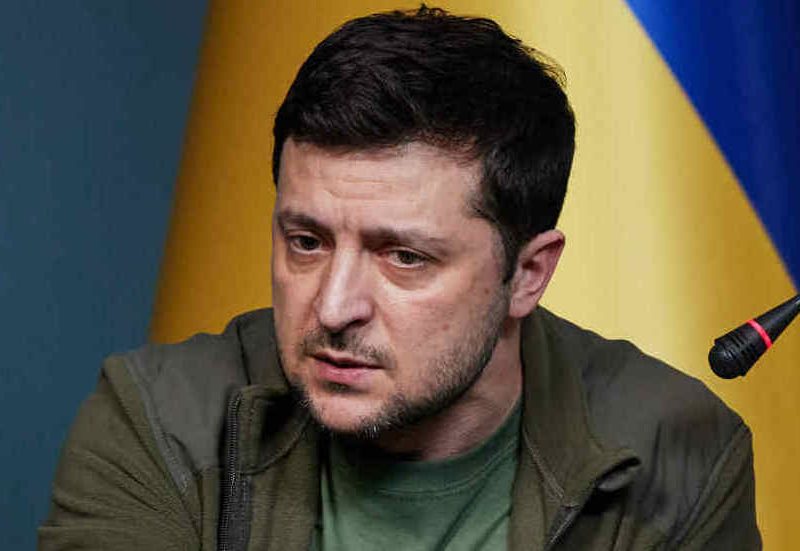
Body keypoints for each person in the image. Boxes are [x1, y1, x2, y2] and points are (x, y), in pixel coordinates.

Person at [39, 6, 760, 550]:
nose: (333, 307)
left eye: (404, 257)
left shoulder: (677, 451)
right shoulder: (159, 422)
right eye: (306, 242)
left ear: (527, 274)